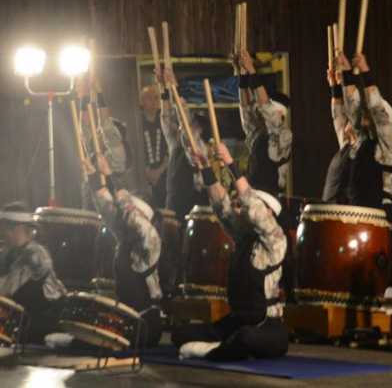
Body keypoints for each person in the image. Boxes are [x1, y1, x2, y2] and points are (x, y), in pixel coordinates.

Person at [172, 142, 288, 361]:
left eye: (245, 205)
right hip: (237, 320)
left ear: (269, 212)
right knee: (181, 334)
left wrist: (231, 164)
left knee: (245, 338)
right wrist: (206, 167)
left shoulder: (276, 240)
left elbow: (254, 210)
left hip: (267, 327)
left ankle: (210, 350)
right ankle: (222, 346)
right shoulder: (244, 236)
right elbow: (222, 206)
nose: (241, 207)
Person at [83, 153, 163, 347]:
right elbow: (109, 210)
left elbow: (129, 214)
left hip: (144, 324)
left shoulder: (149, 242)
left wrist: (110, 174)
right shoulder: (126, 238)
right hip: (126, 317)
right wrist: (94, 178)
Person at [0, 202, 66, 344]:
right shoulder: (5, 253)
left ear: (18, 228)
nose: (0, 233)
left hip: (47, 321)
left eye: (4, 228)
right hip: (27, 320)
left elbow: (4, 288)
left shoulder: (36, 255)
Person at [322, 52, 392, 209]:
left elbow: (377, 111)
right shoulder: (352, 144)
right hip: (347, 214)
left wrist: (365, 72)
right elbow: (340, 115)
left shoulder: (389, 147)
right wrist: (338, 84)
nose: (362, 114)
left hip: (376, 215)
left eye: (367, 113)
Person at [236, 50, 293, 196]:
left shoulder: (283, 134)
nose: (259, 109)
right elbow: (246, 109)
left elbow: (266, 107)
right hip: (252, 194)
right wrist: (242, 76)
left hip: (269, 199)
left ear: (279, 113)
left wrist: (252, 70)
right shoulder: (258, 133)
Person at [160, 67, 210, 221]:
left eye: (193, 125)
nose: (185, 127)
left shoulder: (199, 148)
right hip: (173, 204)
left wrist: (174, 88)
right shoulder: (176, 145)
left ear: (199, 130)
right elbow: (166, 119)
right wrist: (164, 89)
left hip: (192, 208)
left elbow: (186, 127)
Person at [139, 85, 168, 208]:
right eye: (149, 98)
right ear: (142, 101)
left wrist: (159, 171)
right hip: (143, 176)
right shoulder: (137, 121)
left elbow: (171, 148)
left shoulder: (164, 121)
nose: (154, 101)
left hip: (163, 175)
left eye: (156, 98)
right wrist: (145, 171)